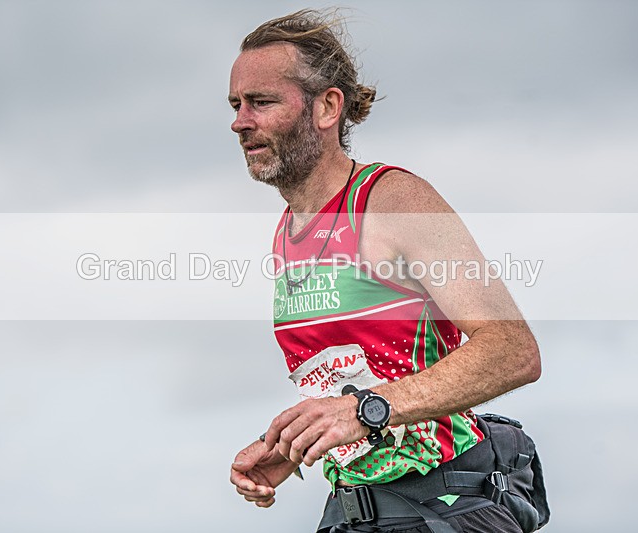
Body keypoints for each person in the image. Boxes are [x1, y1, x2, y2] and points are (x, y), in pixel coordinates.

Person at [228, 9, 542, 533]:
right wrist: (296, 442)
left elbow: (515, 351)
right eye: (236, 104)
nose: (239, 121)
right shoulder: (288, 229)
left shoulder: (392, 200)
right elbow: (365, 373)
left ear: (328, 106)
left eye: (261, 102)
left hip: (445, 506)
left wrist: (364, 411)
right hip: (354, 508)